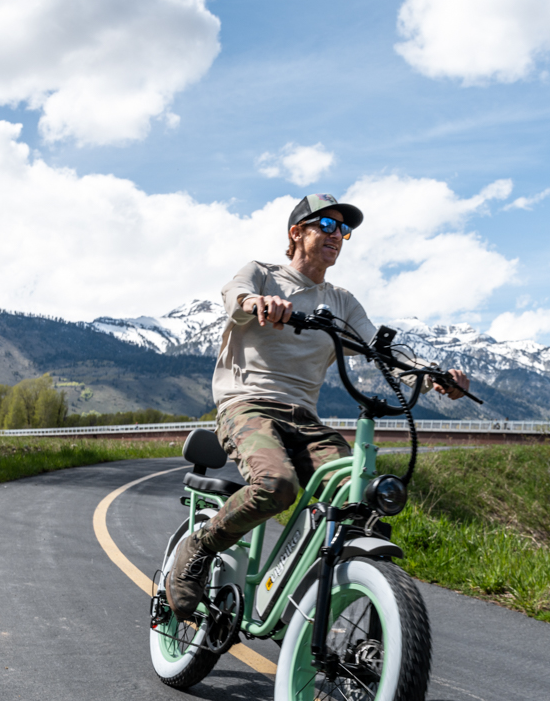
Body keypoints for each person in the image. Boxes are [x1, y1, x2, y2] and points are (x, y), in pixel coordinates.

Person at [165, 193, 469, 620]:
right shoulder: (264, 274)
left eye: (343, 230)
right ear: (296, 233)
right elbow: (235, 295)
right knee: (276, 485)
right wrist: (258, 304)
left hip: (303, 417)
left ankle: (311, 587)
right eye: (326, 226)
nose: (338, 236)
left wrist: (432, 375)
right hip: (247, 404)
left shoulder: (341, 301)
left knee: (355, 496)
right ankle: (198, 548)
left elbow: (382, 351)